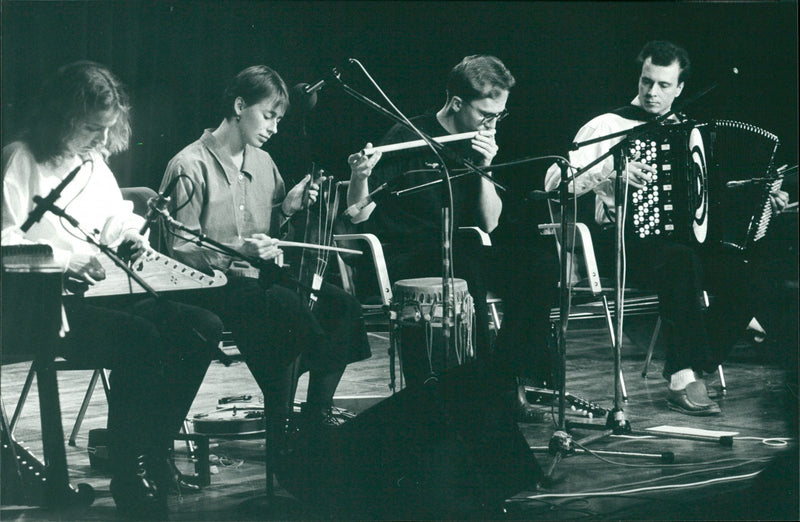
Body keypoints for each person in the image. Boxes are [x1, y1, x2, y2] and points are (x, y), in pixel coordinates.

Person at [1, 61, 223, 518]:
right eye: (90, 129)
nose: (102, 142)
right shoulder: (22, 158)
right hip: (42, 307)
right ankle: (128, 471)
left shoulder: (93, 163)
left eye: (107, 130)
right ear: (61, 117)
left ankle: (154, 450)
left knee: (200, 326)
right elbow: (5, 241)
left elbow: (111, 218)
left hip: (101, 297)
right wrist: (65, 261)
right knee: (137, 338)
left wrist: (128, 232)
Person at [544, 40, 790, 416]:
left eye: (662, 85)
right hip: (624, 245)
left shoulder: (690, 130)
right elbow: (553, 181)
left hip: (686, 249)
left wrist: (761, 196)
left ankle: (698, 363)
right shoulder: (609, 125)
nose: (651, 92)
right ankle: (681, 376)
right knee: (680, 261)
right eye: (646, 82)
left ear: (680, 89)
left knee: (749, 271)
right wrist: (612, 169)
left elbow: (717, 194)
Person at [160, 65, 370, 435]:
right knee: (283, 308)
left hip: (259, 281)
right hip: (208, 286)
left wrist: (287, 208)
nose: (274, 127)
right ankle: (281, 424)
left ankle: (315, 417)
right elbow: (180, 247)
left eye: (279, 119)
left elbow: (272, 232)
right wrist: (239, 250)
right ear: (240, 105)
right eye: (268, 116)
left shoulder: (263, 161)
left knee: (342, 307)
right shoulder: (189, 164)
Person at [346, 55, 558, 418]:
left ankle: (505, 377)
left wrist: (484, 168)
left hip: (461, 247)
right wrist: (360, 176)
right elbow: (358, 213)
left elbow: (490, 223)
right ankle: (479, 393)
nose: (492, 124)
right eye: (486, 115)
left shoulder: (477, 143)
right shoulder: (406, 135)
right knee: (467, 269)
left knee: (539, 265)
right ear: (457, 103)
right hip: (409, 253)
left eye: (499, 116)